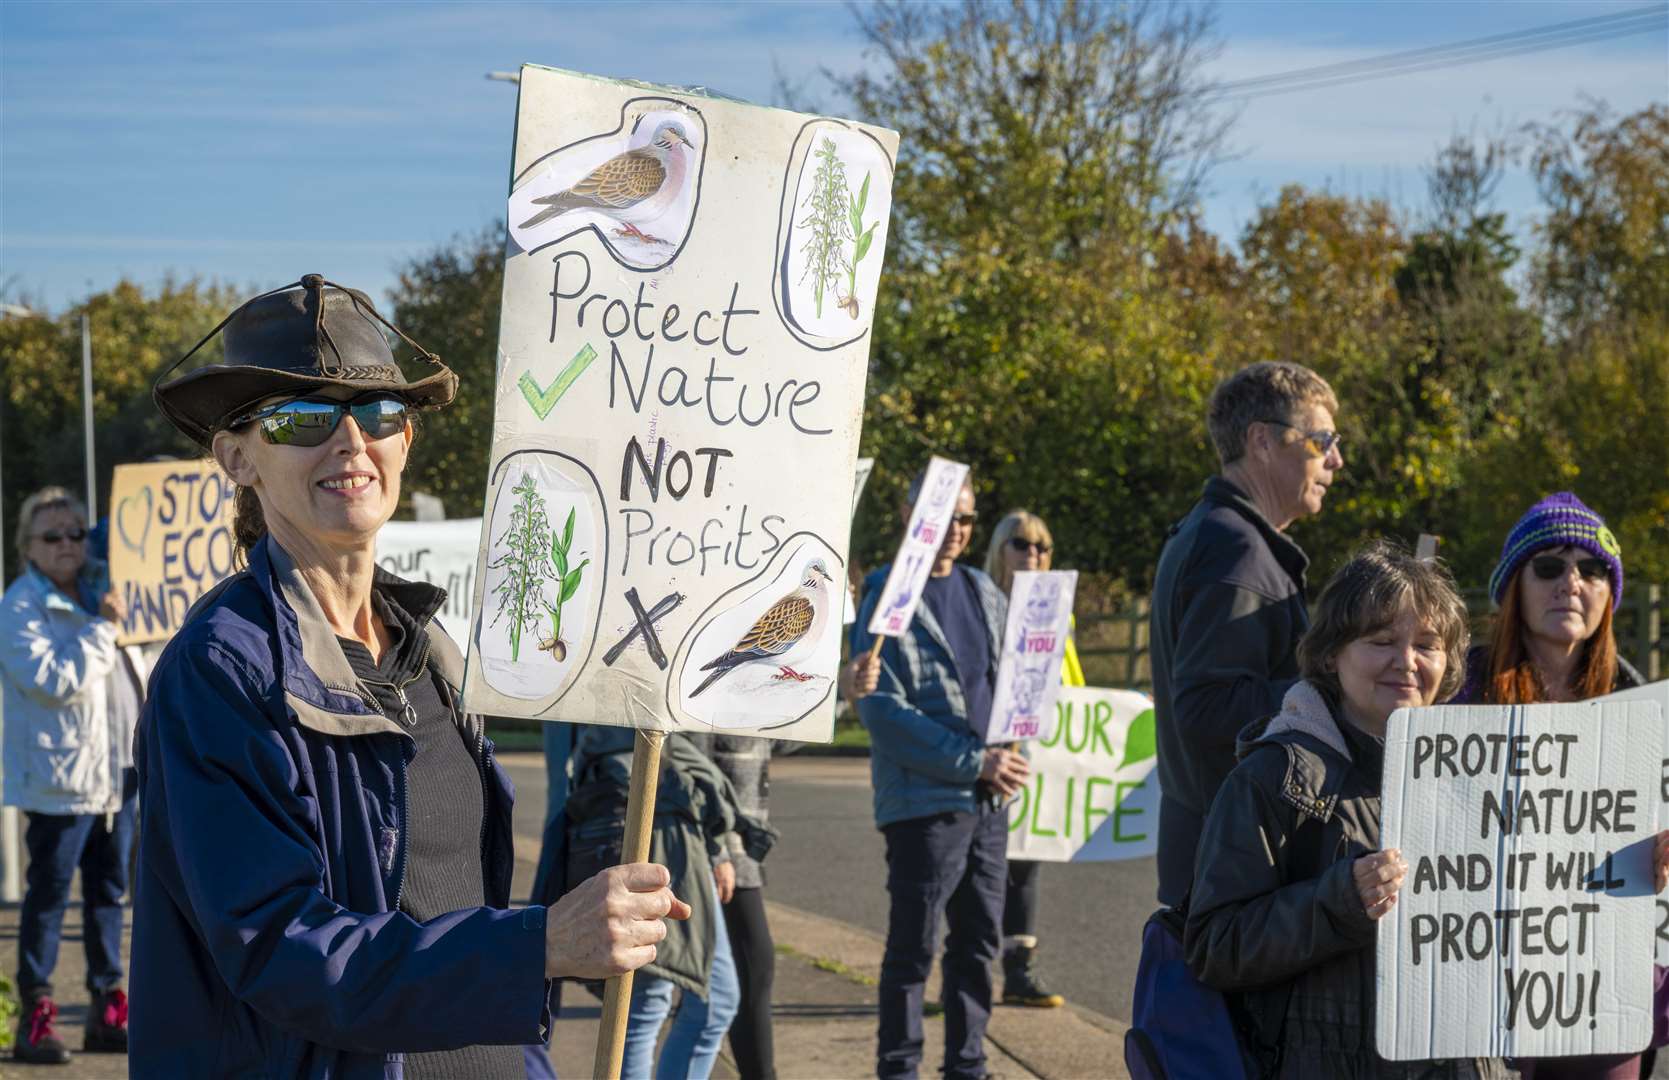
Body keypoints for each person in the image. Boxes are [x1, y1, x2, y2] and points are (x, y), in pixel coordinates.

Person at [132, 275, 688, 1077]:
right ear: (236, 457)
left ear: (406, 440)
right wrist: (540, 942)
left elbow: (454, 902)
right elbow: (280, 948)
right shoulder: (222, 668)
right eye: (304, 418)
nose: (350, 443)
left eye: (377, 413)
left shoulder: (434, 654)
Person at [1184, 541, 1508, 1078]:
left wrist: (1628, 873)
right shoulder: (1274, 778)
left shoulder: (1483, 778)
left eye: (1427, 645)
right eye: (1382, 640)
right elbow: (1216, 946)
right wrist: (1339, 901)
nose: (1406, 662)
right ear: (1333, 653)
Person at [1453, 493, 1649, 1080]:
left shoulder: (1645, 715)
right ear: (1514, 587)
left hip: (1603, 981)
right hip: (1481, 972)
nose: (1571, 581)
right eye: (1548, 566)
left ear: (1608, 598)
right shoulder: (1454, 697)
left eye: (1591, 570)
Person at [851, 468, 1029, 1080]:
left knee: (979, 947)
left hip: (990, 803)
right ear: (910, 517)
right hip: (925, 806)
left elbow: (1010, 686)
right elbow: (882, 710)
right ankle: (898, 1070)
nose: (956, 529)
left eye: (968, 518)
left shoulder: (985, 591)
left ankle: (968, 1067)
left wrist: (1011, 743)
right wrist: (974, 760)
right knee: (913, 952)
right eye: (945, 515)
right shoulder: (886, 595)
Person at [1149, 360, 1344, 906]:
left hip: (1213, 851)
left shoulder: (1214, 534)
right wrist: (1336, 689)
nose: (1336, 460)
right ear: (1262, 441)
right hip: (1233, 865)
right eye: (1321, 440)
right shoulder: (1235, 549)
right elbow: (1207, 706)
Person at [1, 487, 137, 1064]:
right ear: (28, 545)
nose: (66, 544)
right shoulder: (20, 605)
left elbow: (127, 519)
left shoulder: (102, 588)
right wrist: (102, 629)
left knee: (110, 893)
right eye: (52, 535)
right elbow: (53, 680)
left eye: (75, 534)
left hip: (117, 773)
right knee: (50, 896)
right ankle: (35, 1014)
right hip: (62, 780)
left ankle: (108, 1005)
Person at [567, 726, 773, 1080]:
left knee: (660, 1004)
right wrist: (717, 845)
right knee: (682, 1002)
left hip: (656, 820)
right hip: (659, 824)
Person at [981, 509, 1080, 1008]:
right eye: (1022, 543)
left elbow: (1072, 686)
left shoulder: (1058, 611)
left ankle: (1019, 971)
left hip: (1036, 757)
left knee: (1026, 863)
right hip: (985, 759)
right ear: (1000, 548)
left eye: (1042, 546)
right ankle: (963, 970)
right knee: (975, 868)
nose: (1033, 554)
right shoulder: (979, 602)